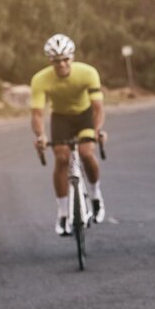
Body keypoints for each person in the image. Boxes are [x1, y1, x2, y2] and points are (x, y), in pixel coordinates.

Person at [31, 34, 107, 236]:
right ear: (50, 61)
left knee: (86, 153)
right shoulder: (40, 79)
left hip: (84, 116)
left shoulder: (88, 73)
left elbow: (98, 108)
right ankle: (63, 213)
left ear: (72, 57)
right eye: (57, 61)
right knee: (62, 159)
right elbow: (37, 113)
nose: (62, 64)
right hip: (60, 118)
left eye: (65, 59)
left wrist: (97, 131)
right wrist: (41, 136)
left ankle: (96, 195)